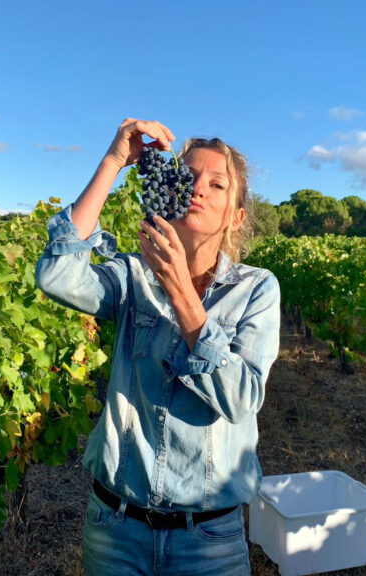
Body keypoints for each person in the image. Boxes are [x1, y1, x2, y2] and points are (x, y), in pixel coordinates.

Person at [35, 118, 281, 575]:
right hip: (115, 529)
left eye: (217, 183)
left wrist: (183, 296)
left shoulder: (256, 290)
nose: (198, 189)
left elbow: (243, 398)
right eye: (187, 176)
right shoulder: (132, 277)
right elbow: (57, 275)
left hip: (207, 539)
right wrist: (113, 162)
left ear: (237, 216)